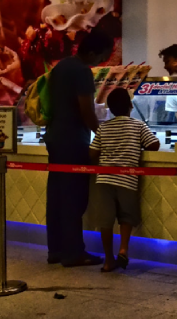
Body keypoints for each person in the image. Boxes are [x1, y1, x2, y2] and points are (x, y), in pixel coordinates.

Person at [45, 29, 114, 267]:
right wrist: (102, 135)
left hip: (55, 136)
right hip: (74, 141)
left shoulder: (61, 66)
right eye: (102, 56)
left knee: (56, 197)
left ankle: (55, 250)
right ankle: (74, 252)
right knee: (74, 198)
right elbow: (87, 111)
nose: (102, 61)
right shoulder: (82, 71)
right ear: (92, 52)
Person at [89, 88, 160, 272]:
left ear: (110, 109)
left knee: (105, 221)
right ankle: (123, 249)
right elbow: (155, 144)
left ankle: (108, 260)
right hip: (127, 179)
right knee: (126, 216)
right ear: (130, 106)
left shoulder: (103, 127)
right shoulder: (138, 126)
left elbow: (92, 152)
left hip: (104, 179)